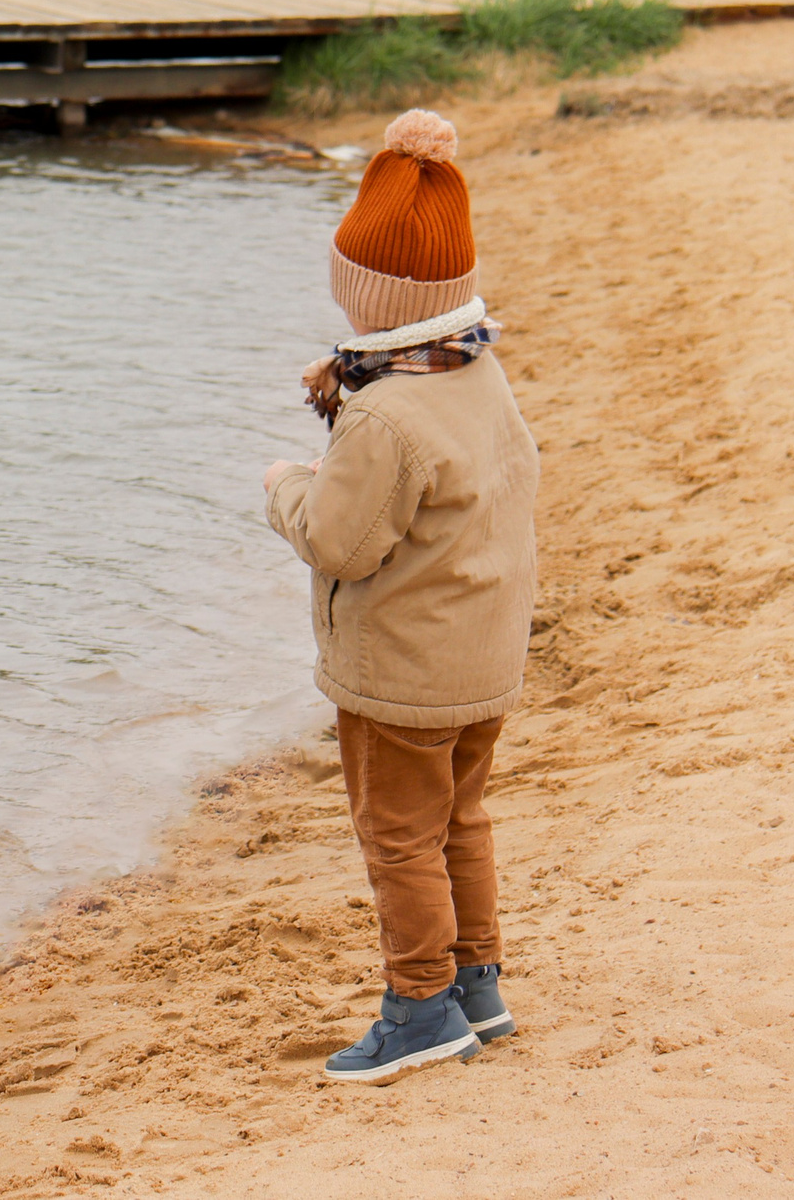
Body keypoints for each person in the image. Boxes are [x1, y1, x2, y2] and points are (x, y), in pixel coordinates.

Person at [261, 107, 540, 1085]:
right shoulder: (472, 364)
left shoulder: (384, 415)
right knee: (459, 819)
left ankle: (418, 1006)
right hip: (482, 654)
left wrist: (285, 486)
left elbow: (342, 540)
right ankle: (477, 988)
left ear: (367, 295)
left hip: (405, 672)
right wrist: (345, 387)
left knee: (397, 837)